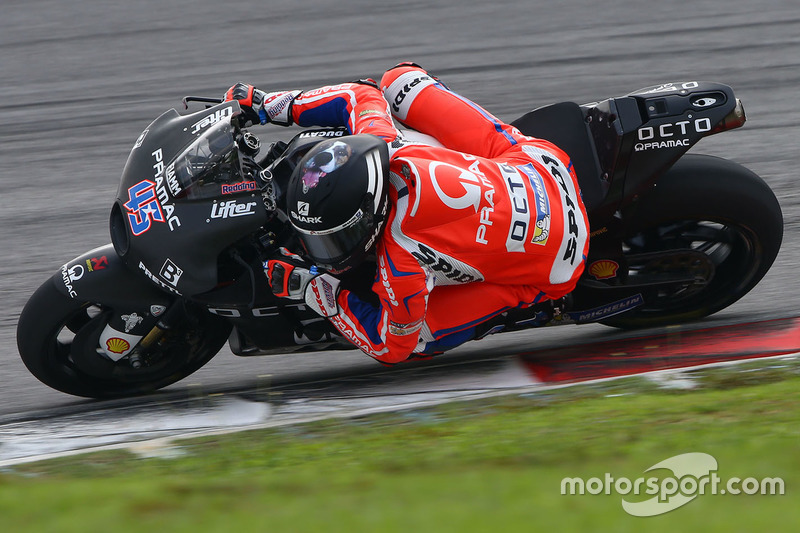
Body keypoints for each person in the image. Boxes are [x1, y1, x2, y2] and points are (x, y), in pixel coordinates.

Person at [223, 62, 589, 365]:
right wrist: (270, 105)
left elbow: (391, 346)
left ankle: (530, 304)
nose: (326, 248)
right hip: (543, 165)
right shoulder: (384, 143)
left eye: (333, 237)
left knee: (418, 339)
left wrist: (311, 288)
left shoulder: (401, 264)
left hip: (561, 258)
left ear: (368, 219)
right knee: (398, 81)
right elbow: (359, 94)